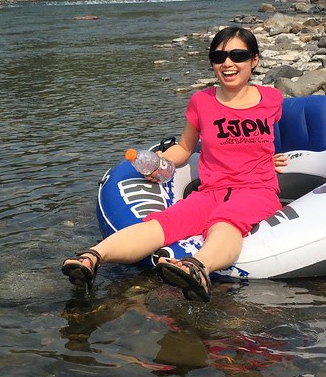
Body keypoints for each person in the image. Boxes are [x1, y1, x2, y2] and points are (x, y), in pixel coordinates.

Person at [61, 26, 287, 302]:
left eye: (238, 55)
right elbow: (185, 148)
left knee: (226, 222)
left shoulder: (271, 99)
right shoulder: (201, 101)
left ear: (254, 60)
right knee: (164, 222)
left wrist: (270, 156)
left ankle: (198, 268)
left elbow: (268, 138)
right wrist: (161, 162)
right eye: (219, 57)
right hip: (211, 191)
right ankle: (91, 258)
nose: (228, 63)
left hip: (257, 190)